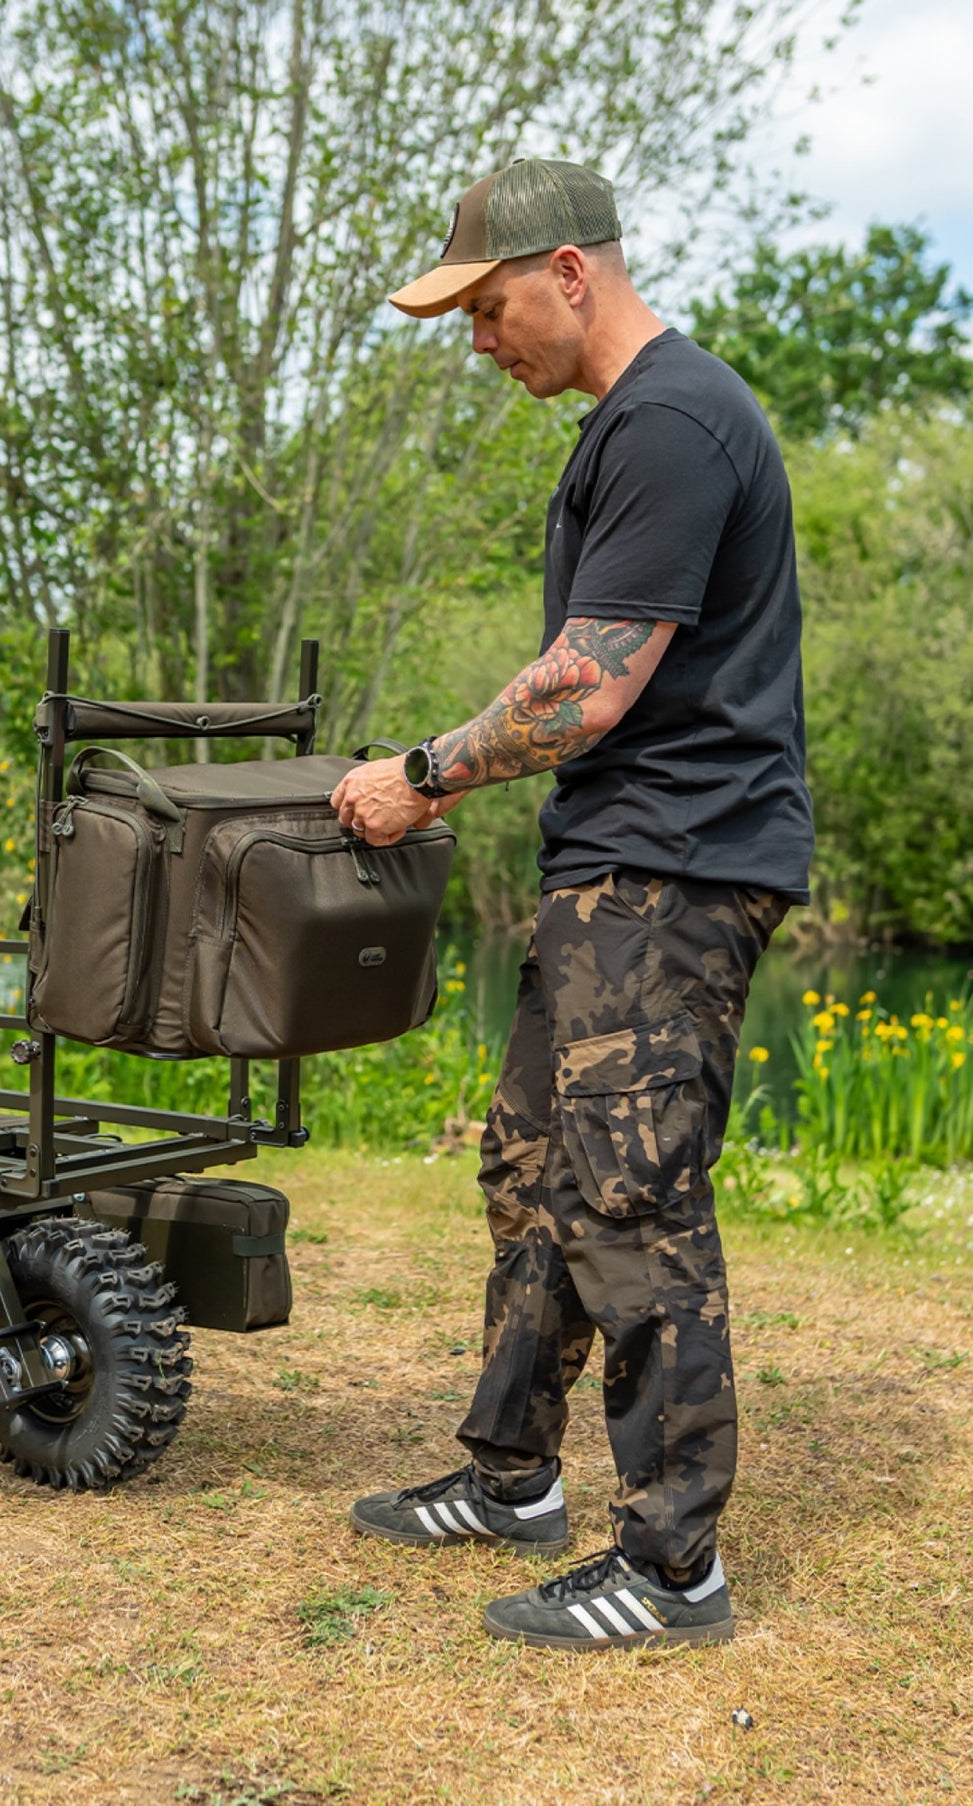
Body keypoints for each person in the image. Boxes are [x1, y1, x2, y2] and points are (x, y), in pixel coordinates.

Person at [329, 157, 813, 1650]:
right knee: (537, 1170)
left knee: (630, 1193)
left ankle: (672, 1568)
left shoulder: (667, 419)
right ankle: (511, 1475)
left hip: (670, 870)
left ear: (568, 273)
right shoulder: (636, 420)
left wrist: (422, 772)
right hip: (609, 868)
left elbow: (587, 685)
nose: (480, 343)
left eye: (485, 309)